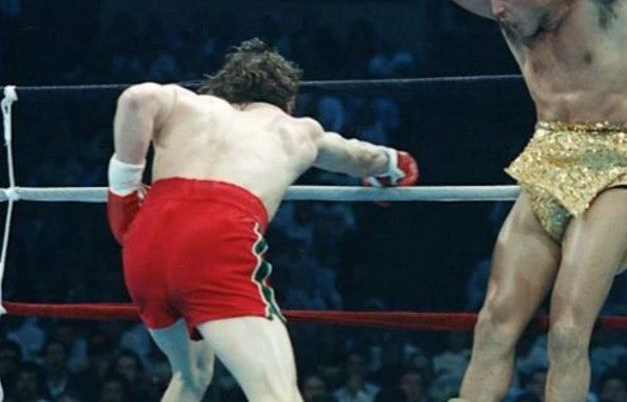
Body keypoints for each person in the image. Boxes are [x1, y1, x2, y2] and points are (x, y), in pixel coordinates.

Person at [413, 0, 627, 400]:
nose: (494, 8)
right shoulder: (514, 14)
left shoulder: (602, 0)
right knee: (494, 322)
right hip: (543, 163)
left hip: (612, 168)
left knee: (567, 333)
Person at [105, 38, 418, 402]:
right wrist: (396, 164)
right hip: (216, 241)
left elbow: (135, 99)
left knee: (191, 375)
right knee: (276, 395)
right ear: (288, 101)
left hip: (145, 245)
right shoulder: (294, 128)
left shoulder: (185, 103)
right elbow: (360, 157)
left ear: (222, 86)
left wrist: (123, 190)